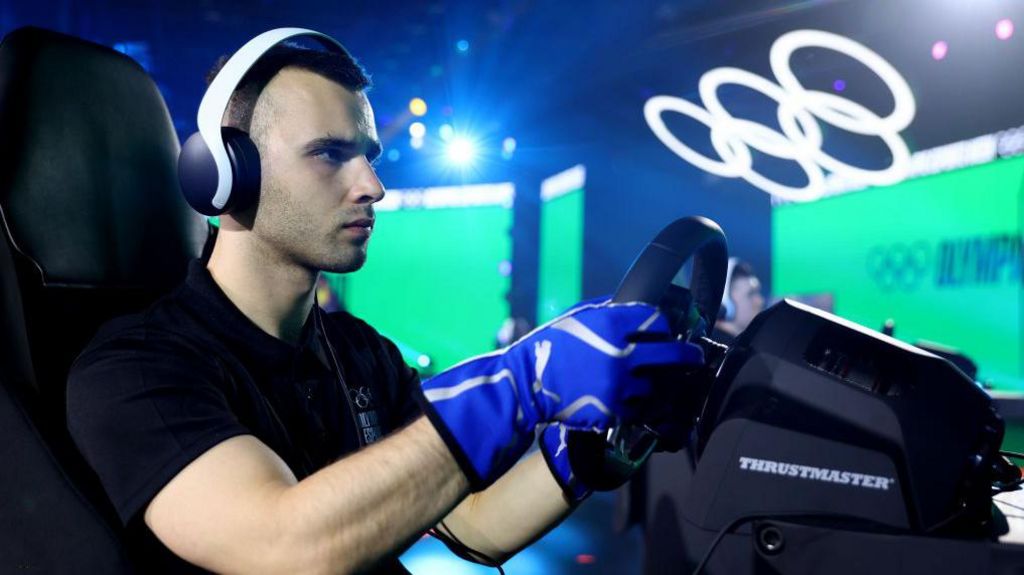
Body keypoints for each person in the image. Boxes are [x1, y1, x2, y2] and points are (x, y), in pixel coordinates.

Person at [66, 30, 703, 574]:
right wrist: (517, 384)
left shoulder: (360, 353)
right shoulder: (136, 371)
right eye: (328, 154)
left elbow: (472, 524)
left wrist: (588, 451)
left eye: (368, 157)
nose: (373, 186)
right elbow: (285, 546)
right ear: (225, 173)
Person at [711, 258, 765, 345]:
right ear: (725, 304)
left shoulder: (741, 350)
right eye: (751, 294)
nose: (760, 301)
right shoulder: (710, 352)